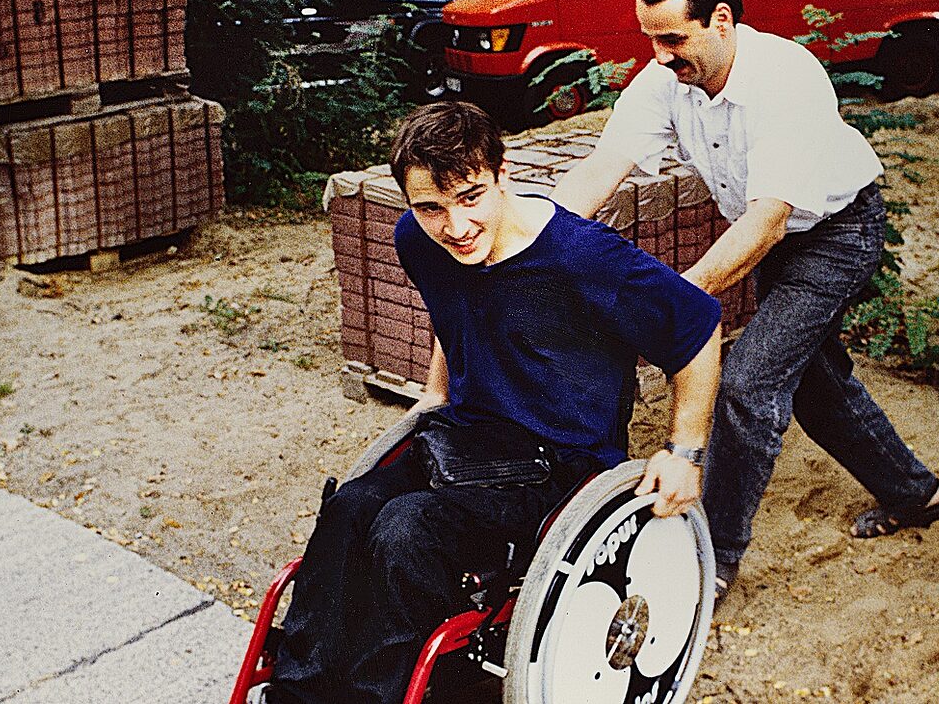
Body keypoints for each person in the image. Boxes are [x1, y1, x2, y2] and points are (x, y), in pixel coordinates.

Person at [263, 101, 723, 704]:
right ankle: (297, 695)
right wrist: (435, 391)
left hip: (561, 462)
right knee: (349, 508)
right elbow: (452, 305)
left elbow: (697, 327)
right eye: (430, 207)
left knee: (403, 532)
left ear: (504, 174)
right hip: (467, 438)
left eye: (471, 197)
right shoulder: (419, 241)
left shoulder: (580, 258)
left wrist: (684, 450)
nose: (455, 226)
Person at [550, 0, 939, 601]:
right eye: (649, 38)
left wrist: (683, 296)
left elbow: (767, 220)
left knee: (746, 383)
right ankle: (917, 493)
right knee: (812, 380)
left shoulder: (786, 80)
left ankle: (712, 558)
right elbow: (602, 168)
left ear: (723, 22)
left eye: (673, 39)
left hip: (837, 233)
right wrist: (536, 234)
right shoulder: (665, 80)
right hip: (779, 235)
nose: (659, 56)